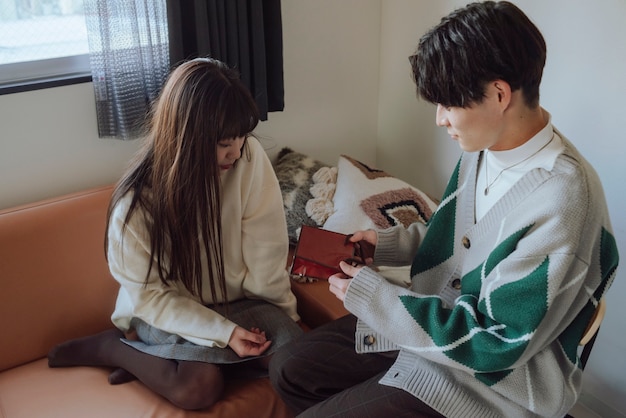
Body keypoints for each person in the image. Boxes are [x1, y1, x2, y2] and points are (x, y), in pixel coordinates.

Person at [269, 2, 619, 417]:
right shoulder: (485, 148)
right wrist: (384, 246)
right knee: (289, 369)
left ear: (499, 94)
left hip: (488, 381)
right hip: (430, 321)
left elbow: (495, 343)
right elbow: (458, 238)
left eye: (448, 105)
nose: (439, 120)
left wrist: (376, 296)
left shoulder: (563, 203)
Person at [48, 58, 302, 410]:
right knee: (198, 387)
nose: (238, 152)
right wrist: (224, 334)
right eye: (224, 143)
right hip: (171, 309)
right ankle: (115, 348)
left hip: (242, 303)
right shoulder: (135, 207)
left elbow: (266, 250)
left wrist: (286, 317)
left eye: (243, 137)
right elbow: (152, 298)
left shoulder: (247, 159)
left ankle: (169, 360)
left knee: (299, 366)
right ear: (187, 138)